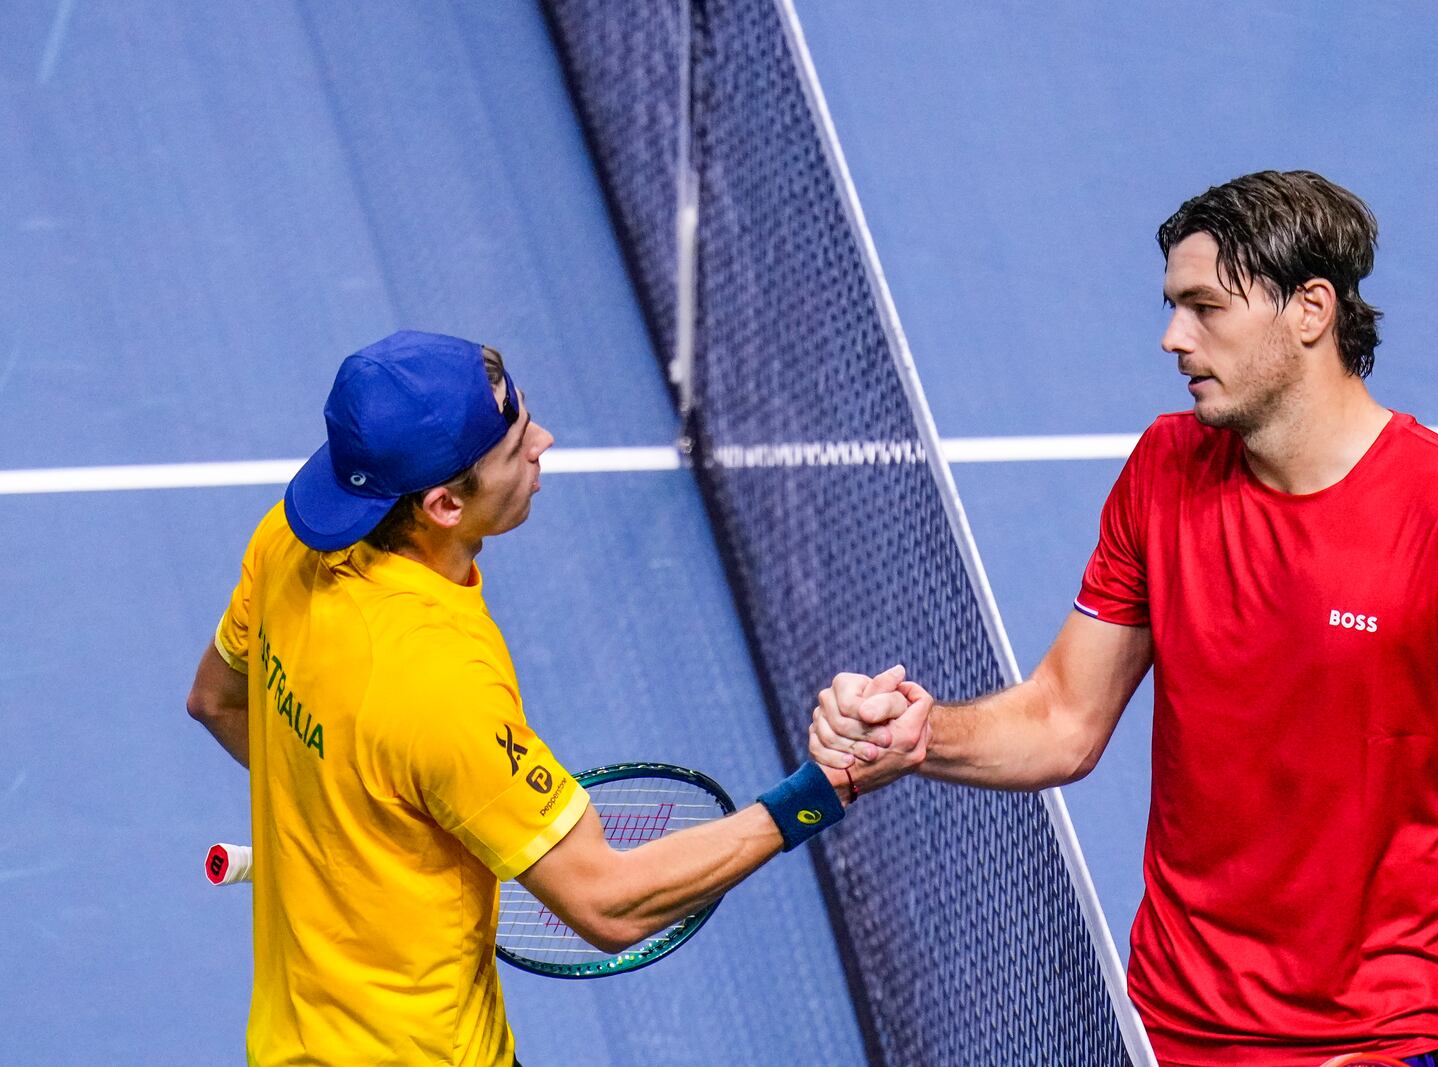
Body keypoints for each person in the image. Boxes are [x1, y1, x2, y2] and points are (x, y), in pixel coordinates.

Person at [810, 172, 1438, 1067]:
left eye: (1204, 307)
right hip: (1166, 1026)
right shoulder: (1165, 469)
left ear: (1310, 310)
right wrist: (921, 734)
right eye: (1174, 306)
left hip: (1375, 1043)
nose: (1173, 337)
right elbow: (1063, 717)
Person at [186, 330, 909, 1067]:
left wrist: (347, 827)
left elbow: (217, 701)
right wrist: (822, 791)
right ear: (442, 504)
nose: (544, 441)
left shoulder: (288, 543)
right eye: (516, 444)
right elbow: (606, 901)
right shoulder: (440, 683)